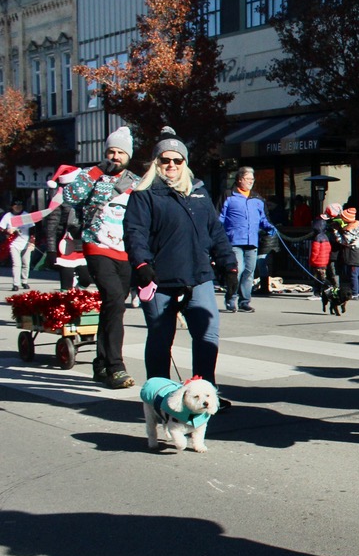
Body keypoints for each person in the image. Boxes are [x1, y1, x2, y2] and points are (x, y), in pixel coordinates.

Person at [124, 133, 238, 390]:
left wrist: (228, 265)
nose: (172, 165)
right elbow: (135, 233)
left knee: (207, 335)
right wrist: (142, 265)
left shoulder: (198, 192)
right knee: (161, 338)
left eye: (178, 160)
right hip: (159, 278)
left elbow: (216, 232)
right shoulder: (145, 194)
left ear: (185, 163)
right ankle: (159, 394)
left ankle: (205, 393)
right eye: (165, 160)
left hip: (198, 276)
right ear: (156, 162)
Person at [59, 126, 141, 388]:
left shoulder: (136, 182)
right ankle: (116, 365)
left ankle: (101, 363)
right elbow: (70, 197)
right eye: (111, 151)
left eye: (120, 152)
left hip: (125, 251)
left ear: (128, 155)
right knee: (115, 299)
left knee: (113, 306)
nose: (115, 156)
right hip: (96, 246)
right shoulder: (90, 176)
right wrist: (94, 172)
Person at [219, 166, 272, 314]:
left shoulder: (257, 199)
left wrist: (269, 227)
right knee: (238, 269)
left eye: (252, 179)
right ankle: (231, 298)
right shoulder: (228, 195)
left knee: (249, 271)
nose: (251, 182)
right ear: (240, 179)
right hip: (234, 240)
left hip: (252, 240)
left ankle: (244, 302)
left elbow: (263, 219)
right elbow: (219, 218)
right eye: (248, 179)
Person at [333, 206, 359, 299]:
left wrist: (336, 232)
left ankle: (355, 293)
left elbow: (344, 242)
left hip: (354, 254)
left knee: (354, 274)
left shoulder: (348, 230)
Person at [1, 197, 34, 291]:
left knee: (26, 263)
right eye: (16, 205)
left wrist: (32, 242)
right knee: (16, 263)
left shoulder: (26, 215)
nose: (18, 207)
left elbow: (33, 229)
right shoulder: (8, 216)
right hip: (13, 243)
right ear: (12, 206)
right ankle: (16, 283)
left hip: (26, 242)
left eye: (20, 205)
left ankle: (24, 281)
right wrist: (8, 231)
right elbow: (2, 228)